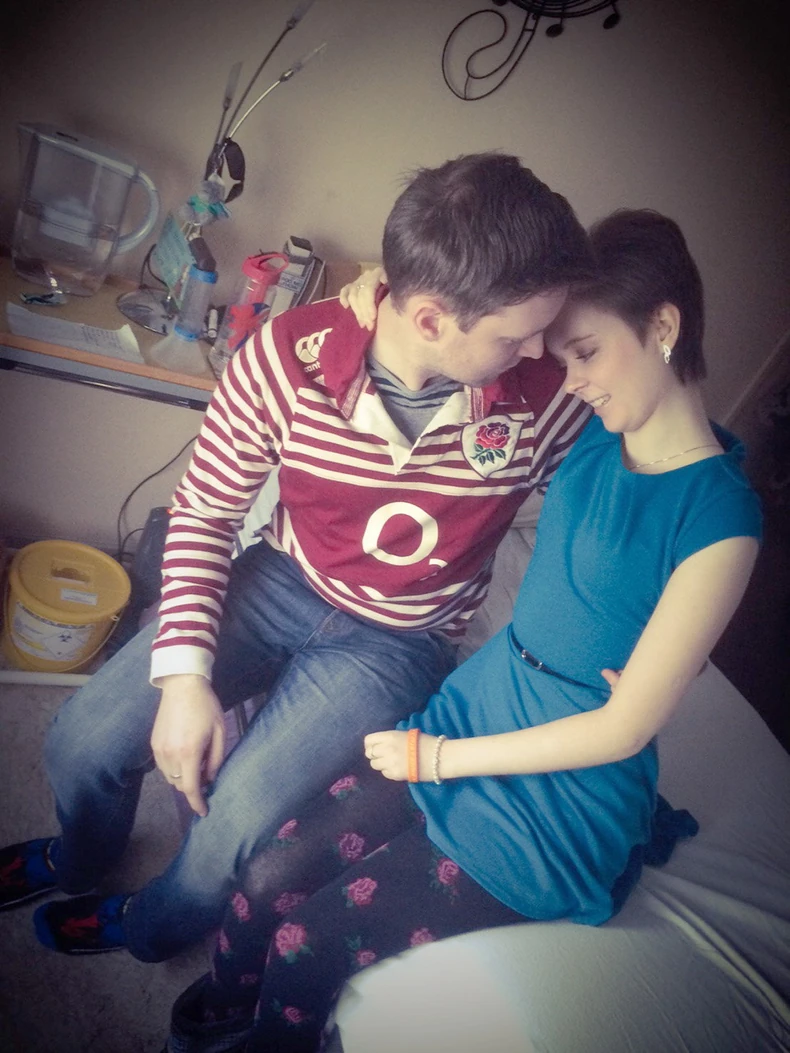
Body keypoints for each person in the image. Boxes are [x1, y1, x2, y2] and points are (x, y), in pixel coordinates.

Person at [161, 208, 761, 1053]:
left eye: (586, 353)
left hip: (556, 797)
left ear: (662, 327)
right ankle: (215, 1018)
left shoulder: (721, 517)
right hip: (480, 705)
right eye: (564, 357)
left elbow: (624, 728)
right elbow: (470, 306)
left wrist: (437, 759)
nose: (570, 380)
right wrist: (383, 289)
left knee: (304, 946)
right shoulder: (595, 436)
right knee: (265, 878)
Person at [0, 153, 593, 962]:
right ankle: (81, 858)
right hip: (283, 579)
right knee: (82, 741)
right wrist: (183, 678)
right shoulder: (286, 355)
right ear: (428, 319)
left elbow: (612, 493)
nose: (537, 349)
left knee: (235, 826)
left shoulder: (549, 394)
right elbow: (207, 510)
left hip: (400, 638)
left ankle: (151, 924)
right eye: (514, 335)